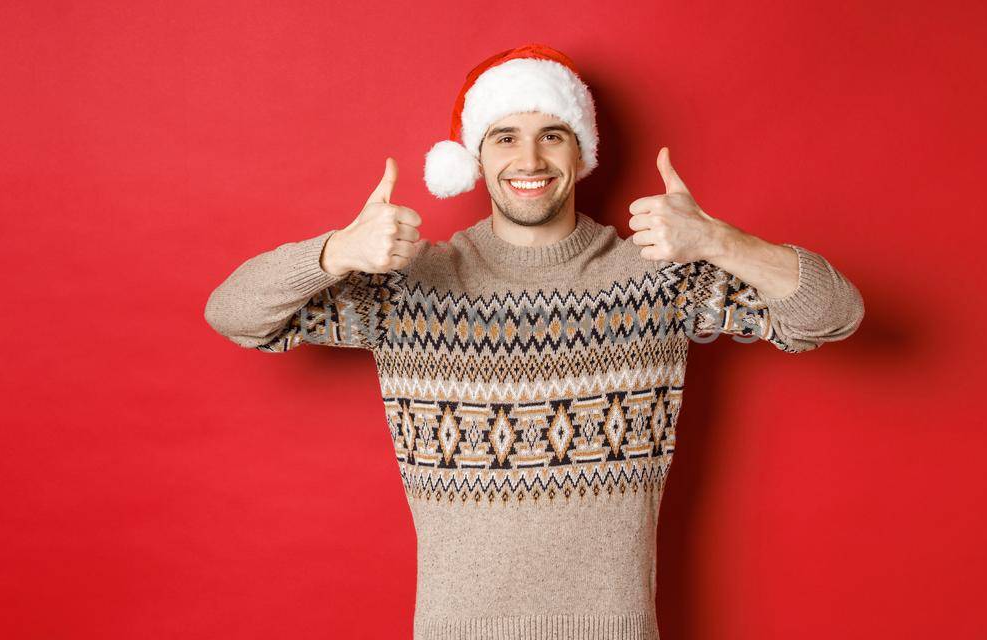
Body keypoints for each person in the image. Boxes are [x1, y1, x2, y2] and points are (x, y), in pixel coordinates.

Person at [203, 43, 864, 640]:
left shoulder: (659, 278)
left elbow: (834, 313)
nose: (529, 160)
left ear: (581, 154)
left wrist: (720, 241)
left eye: (553, 135)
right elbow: (235, 313)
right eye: (504, 138)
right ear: (472, 158)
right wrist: (336, 252)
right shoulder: (406, 288)